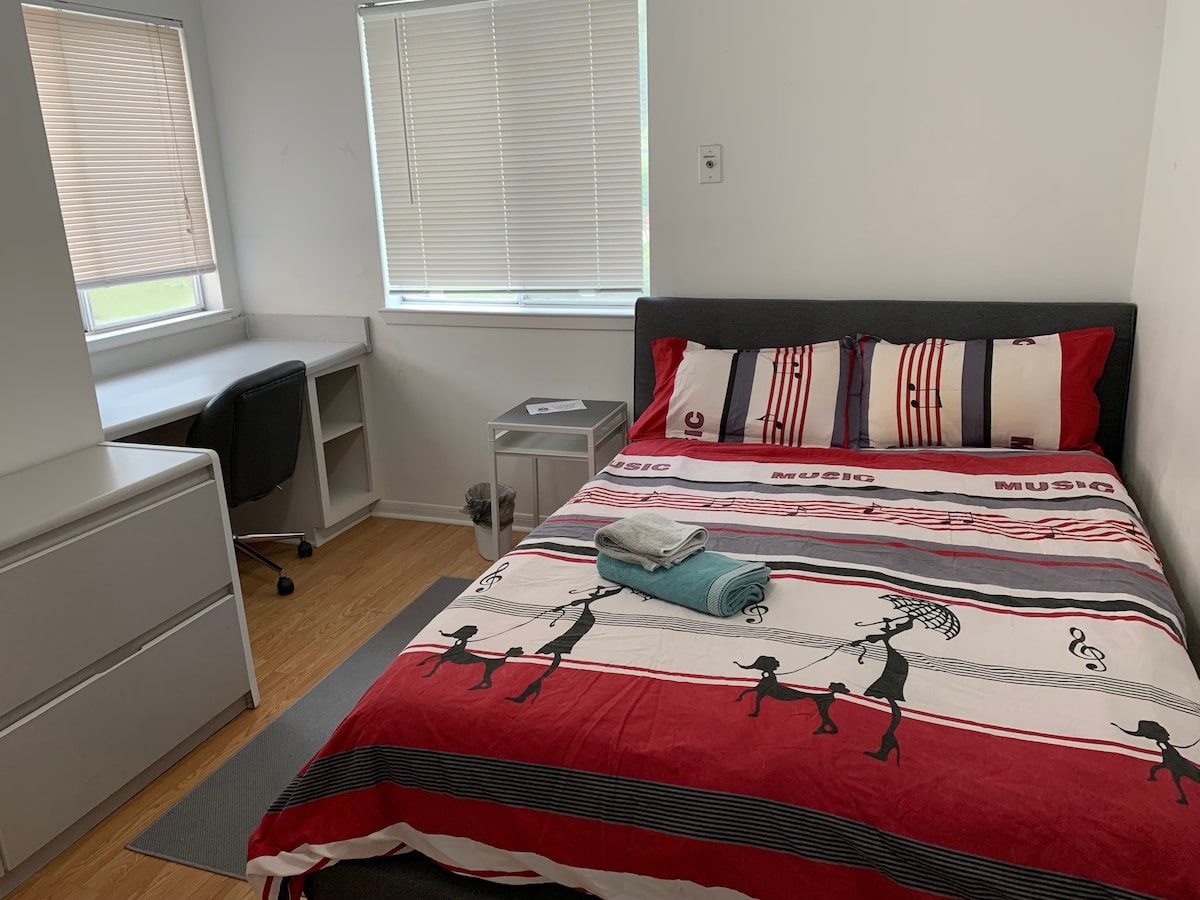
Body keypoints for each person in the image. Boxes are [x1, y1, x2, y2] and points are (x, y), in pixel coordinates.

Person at [850, 615, 915, 764]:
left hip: (896, 664)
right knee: (888, 696)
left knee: (886, 693)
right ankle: (889, 738)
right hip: (895, 662)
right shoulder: (892, 633)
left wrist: (910, 618)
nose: (896, 625)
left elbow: (876, 637)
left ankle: (889, 736)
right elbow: (878, 636)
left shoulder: (898, 632)